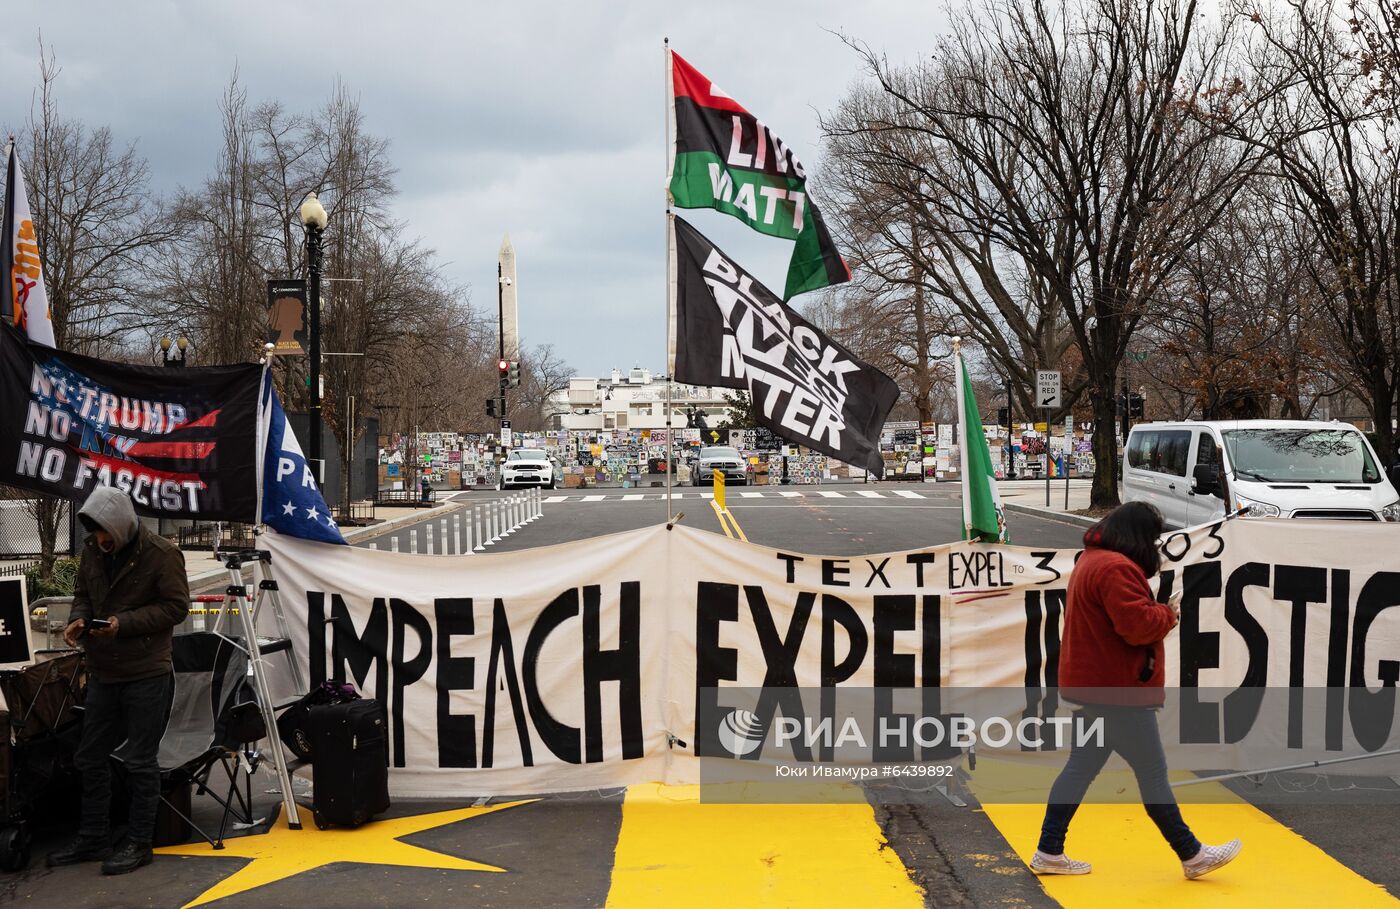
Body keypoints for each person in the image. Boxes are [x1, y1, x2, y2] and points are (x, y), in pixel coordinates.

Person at [1031, 501, 1241, 880]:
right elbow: (1137, 626)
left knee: (1080, 769)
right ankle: (1192, 855)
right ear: (1140, 537)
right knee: (1152, 773)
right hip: (1119, 690)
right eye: (1153, 538)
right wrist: (1168, 614)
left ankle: (1049, 851)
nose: (1156, 546)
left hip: (1097, 685)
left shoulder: (1092, 560)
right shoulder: (1115, 568)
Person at [47, 487, 189, 875]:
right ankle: (94, 836)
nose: (100, 541)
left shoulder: (161, 554)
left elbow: (176, 607)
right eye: (95, 535)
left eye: (105, 533)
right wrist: (79, 618)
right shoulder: (93, 551)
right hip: (104, 670)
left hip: (146, 671)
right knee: (90, 756)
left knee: (140, 760)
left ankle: (140, 842)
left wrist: (122, 624)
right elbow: (83, 595)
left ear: (122, 525)